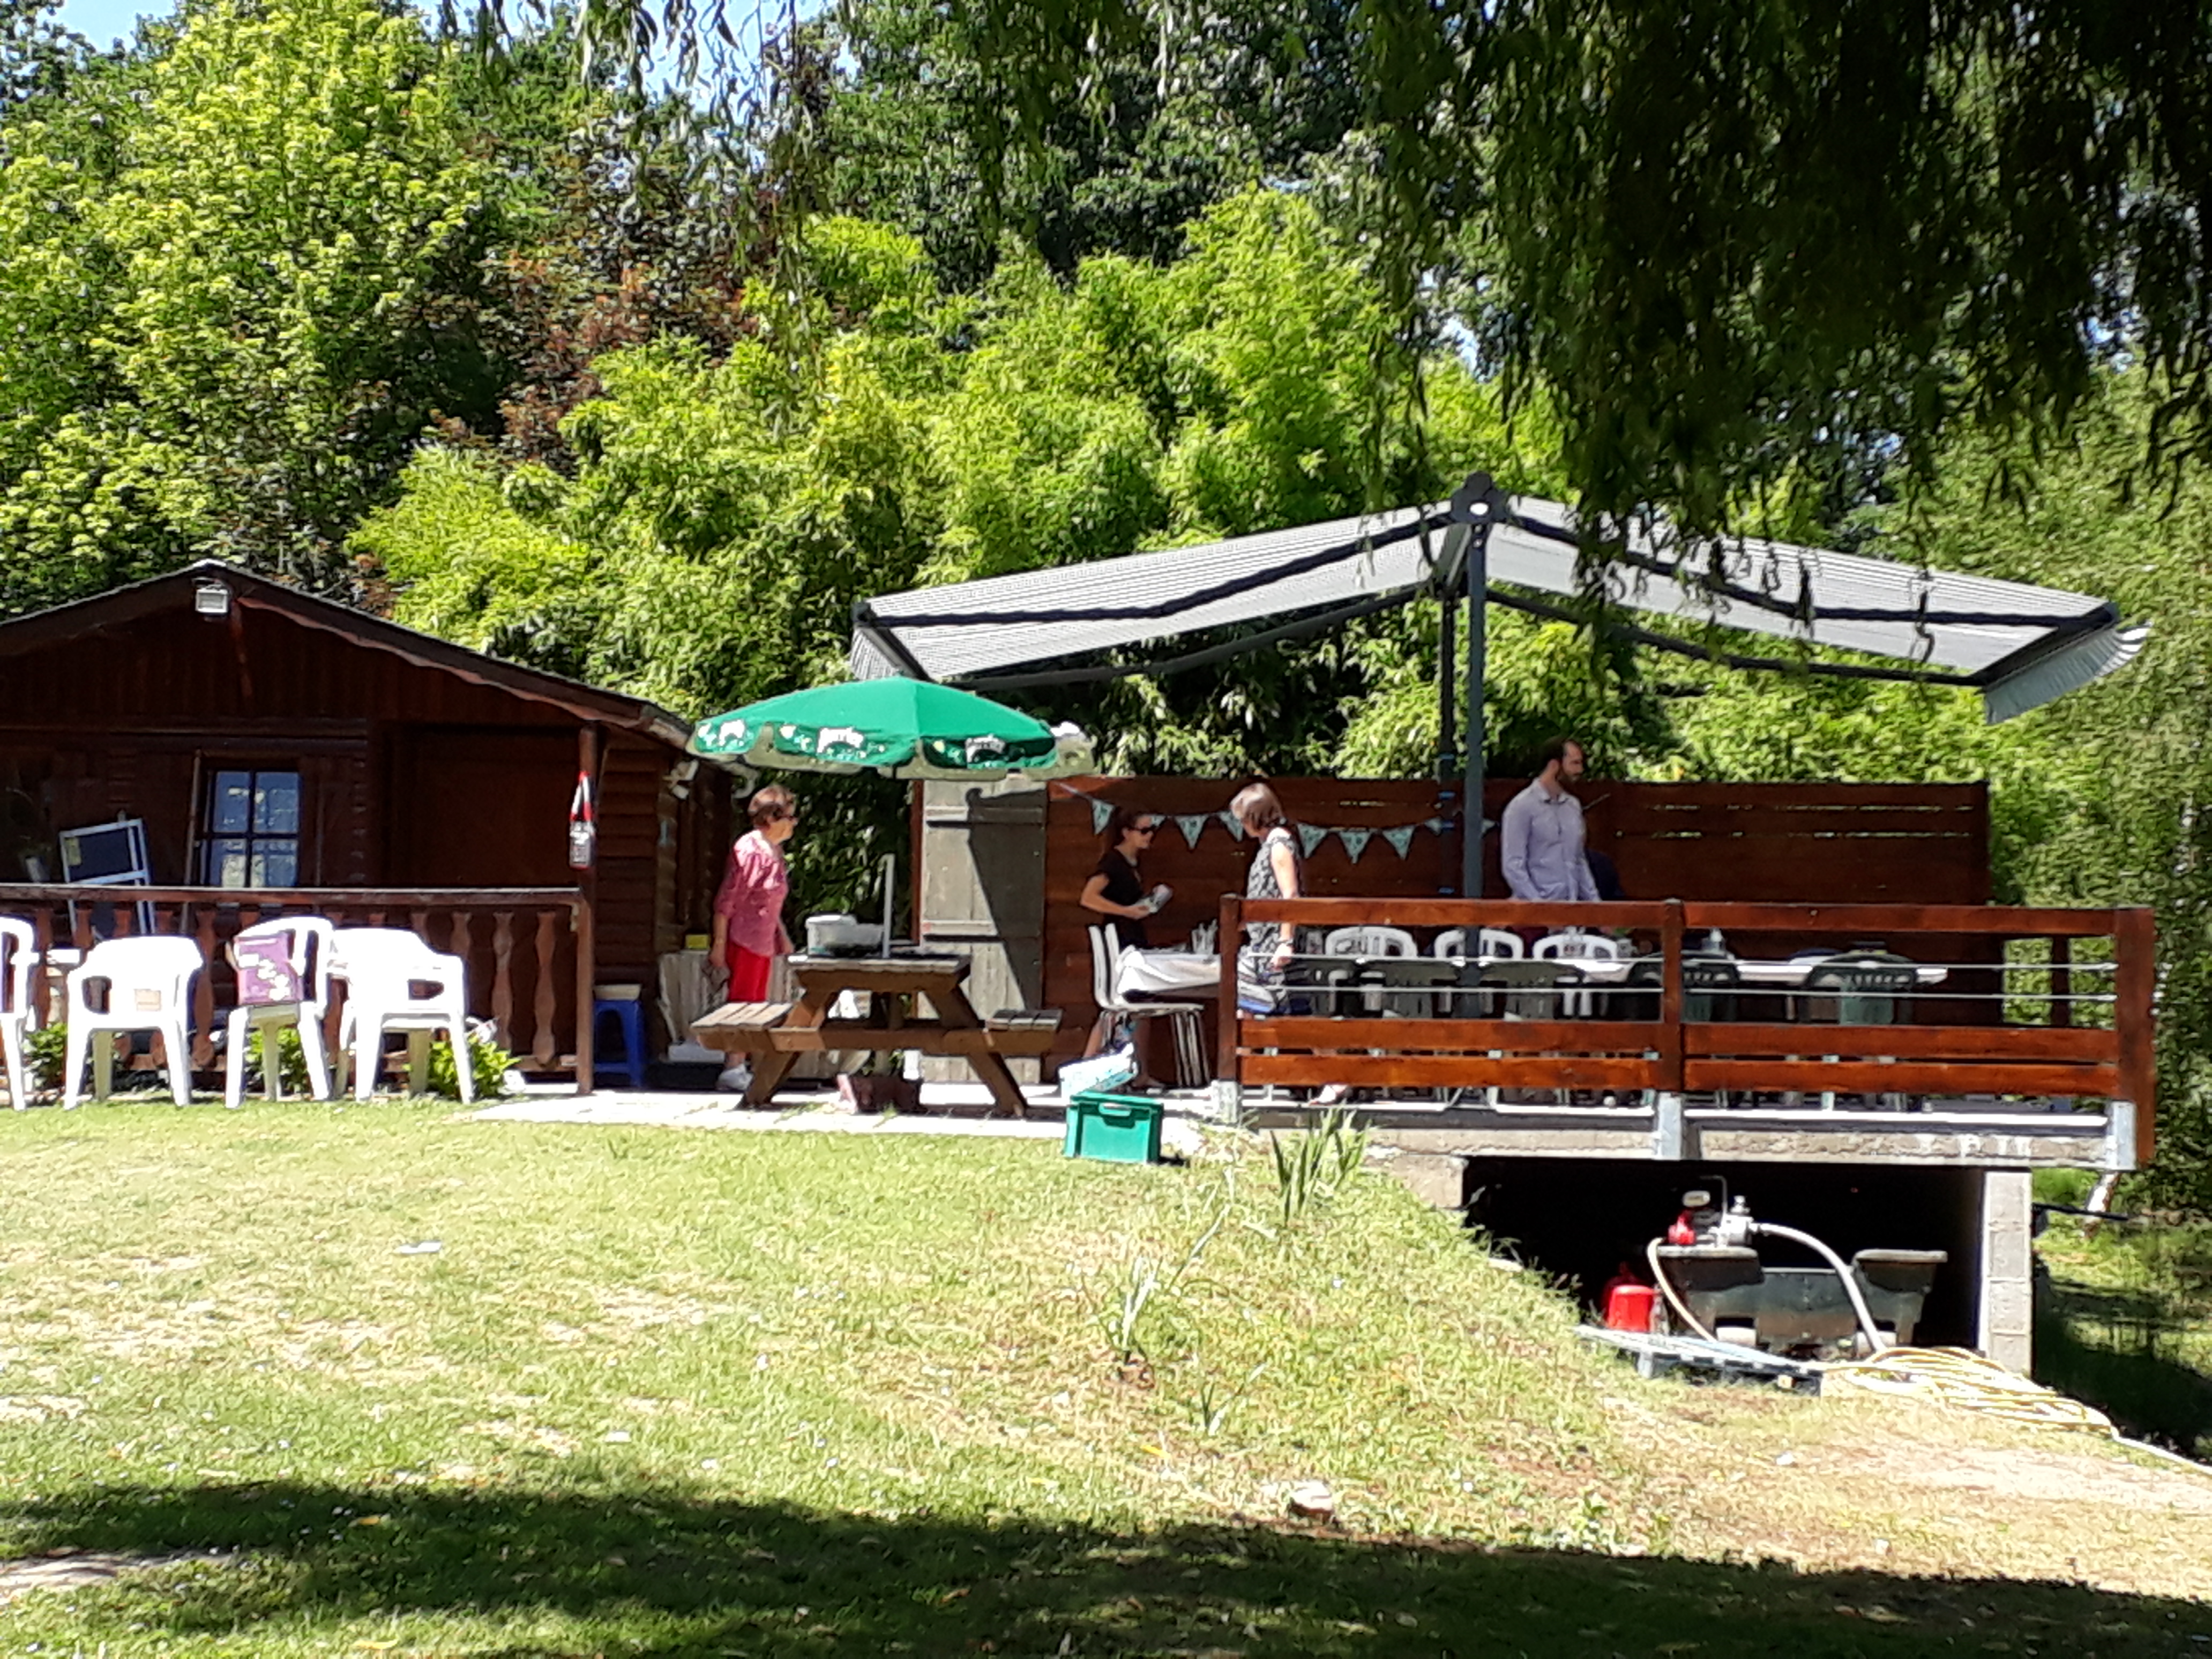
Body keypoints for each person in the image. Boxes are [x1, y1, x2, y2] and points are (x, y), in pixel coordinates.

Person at [709, 784, 796, 1004]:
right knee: (742, 1010)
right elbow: (726, 903)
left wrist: (782, 936)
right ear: (770, 819)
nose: (794, 822)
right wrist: (719, 947)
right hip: (744, 944)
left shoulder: (774, 850)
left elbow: (768, 904)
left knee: (756, 1010)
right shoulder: (750, 851)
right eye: (790, 817)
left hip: (763, 945)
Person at [1501, 736, 1598, 903]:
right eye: (1574, 763)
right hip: (1534, 911)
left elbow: (1578, 860)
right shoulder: (1522, 806)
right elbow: (1513, 866)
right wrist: (1539, 905)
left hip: (1570, 908)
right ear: (1554, 765)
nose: (1580, 770)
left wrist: (1596, 905)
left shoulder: (1573, 806)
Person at [1230, 781, 1302, 983]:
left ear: (1256, 817)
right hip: (1262, 941)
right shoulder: (1267, 843)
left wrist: (1285, 942)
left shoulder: (1279, 844)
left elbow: (1290, 895)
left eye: (1244, 819)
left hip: (1275, 943)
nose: (1242, 825)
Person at [1081, 805, 1168, 951]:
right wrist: (1126, 911)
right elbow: (1088, 898)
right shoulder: (1113, 862)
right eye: (1144, 831)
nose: (1150, 835)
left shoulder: (1133, 861)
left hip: (1133, 934)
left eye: (1152, 829)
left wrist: (1150, 900)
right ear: (1127, 833)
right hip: (1118, 937)